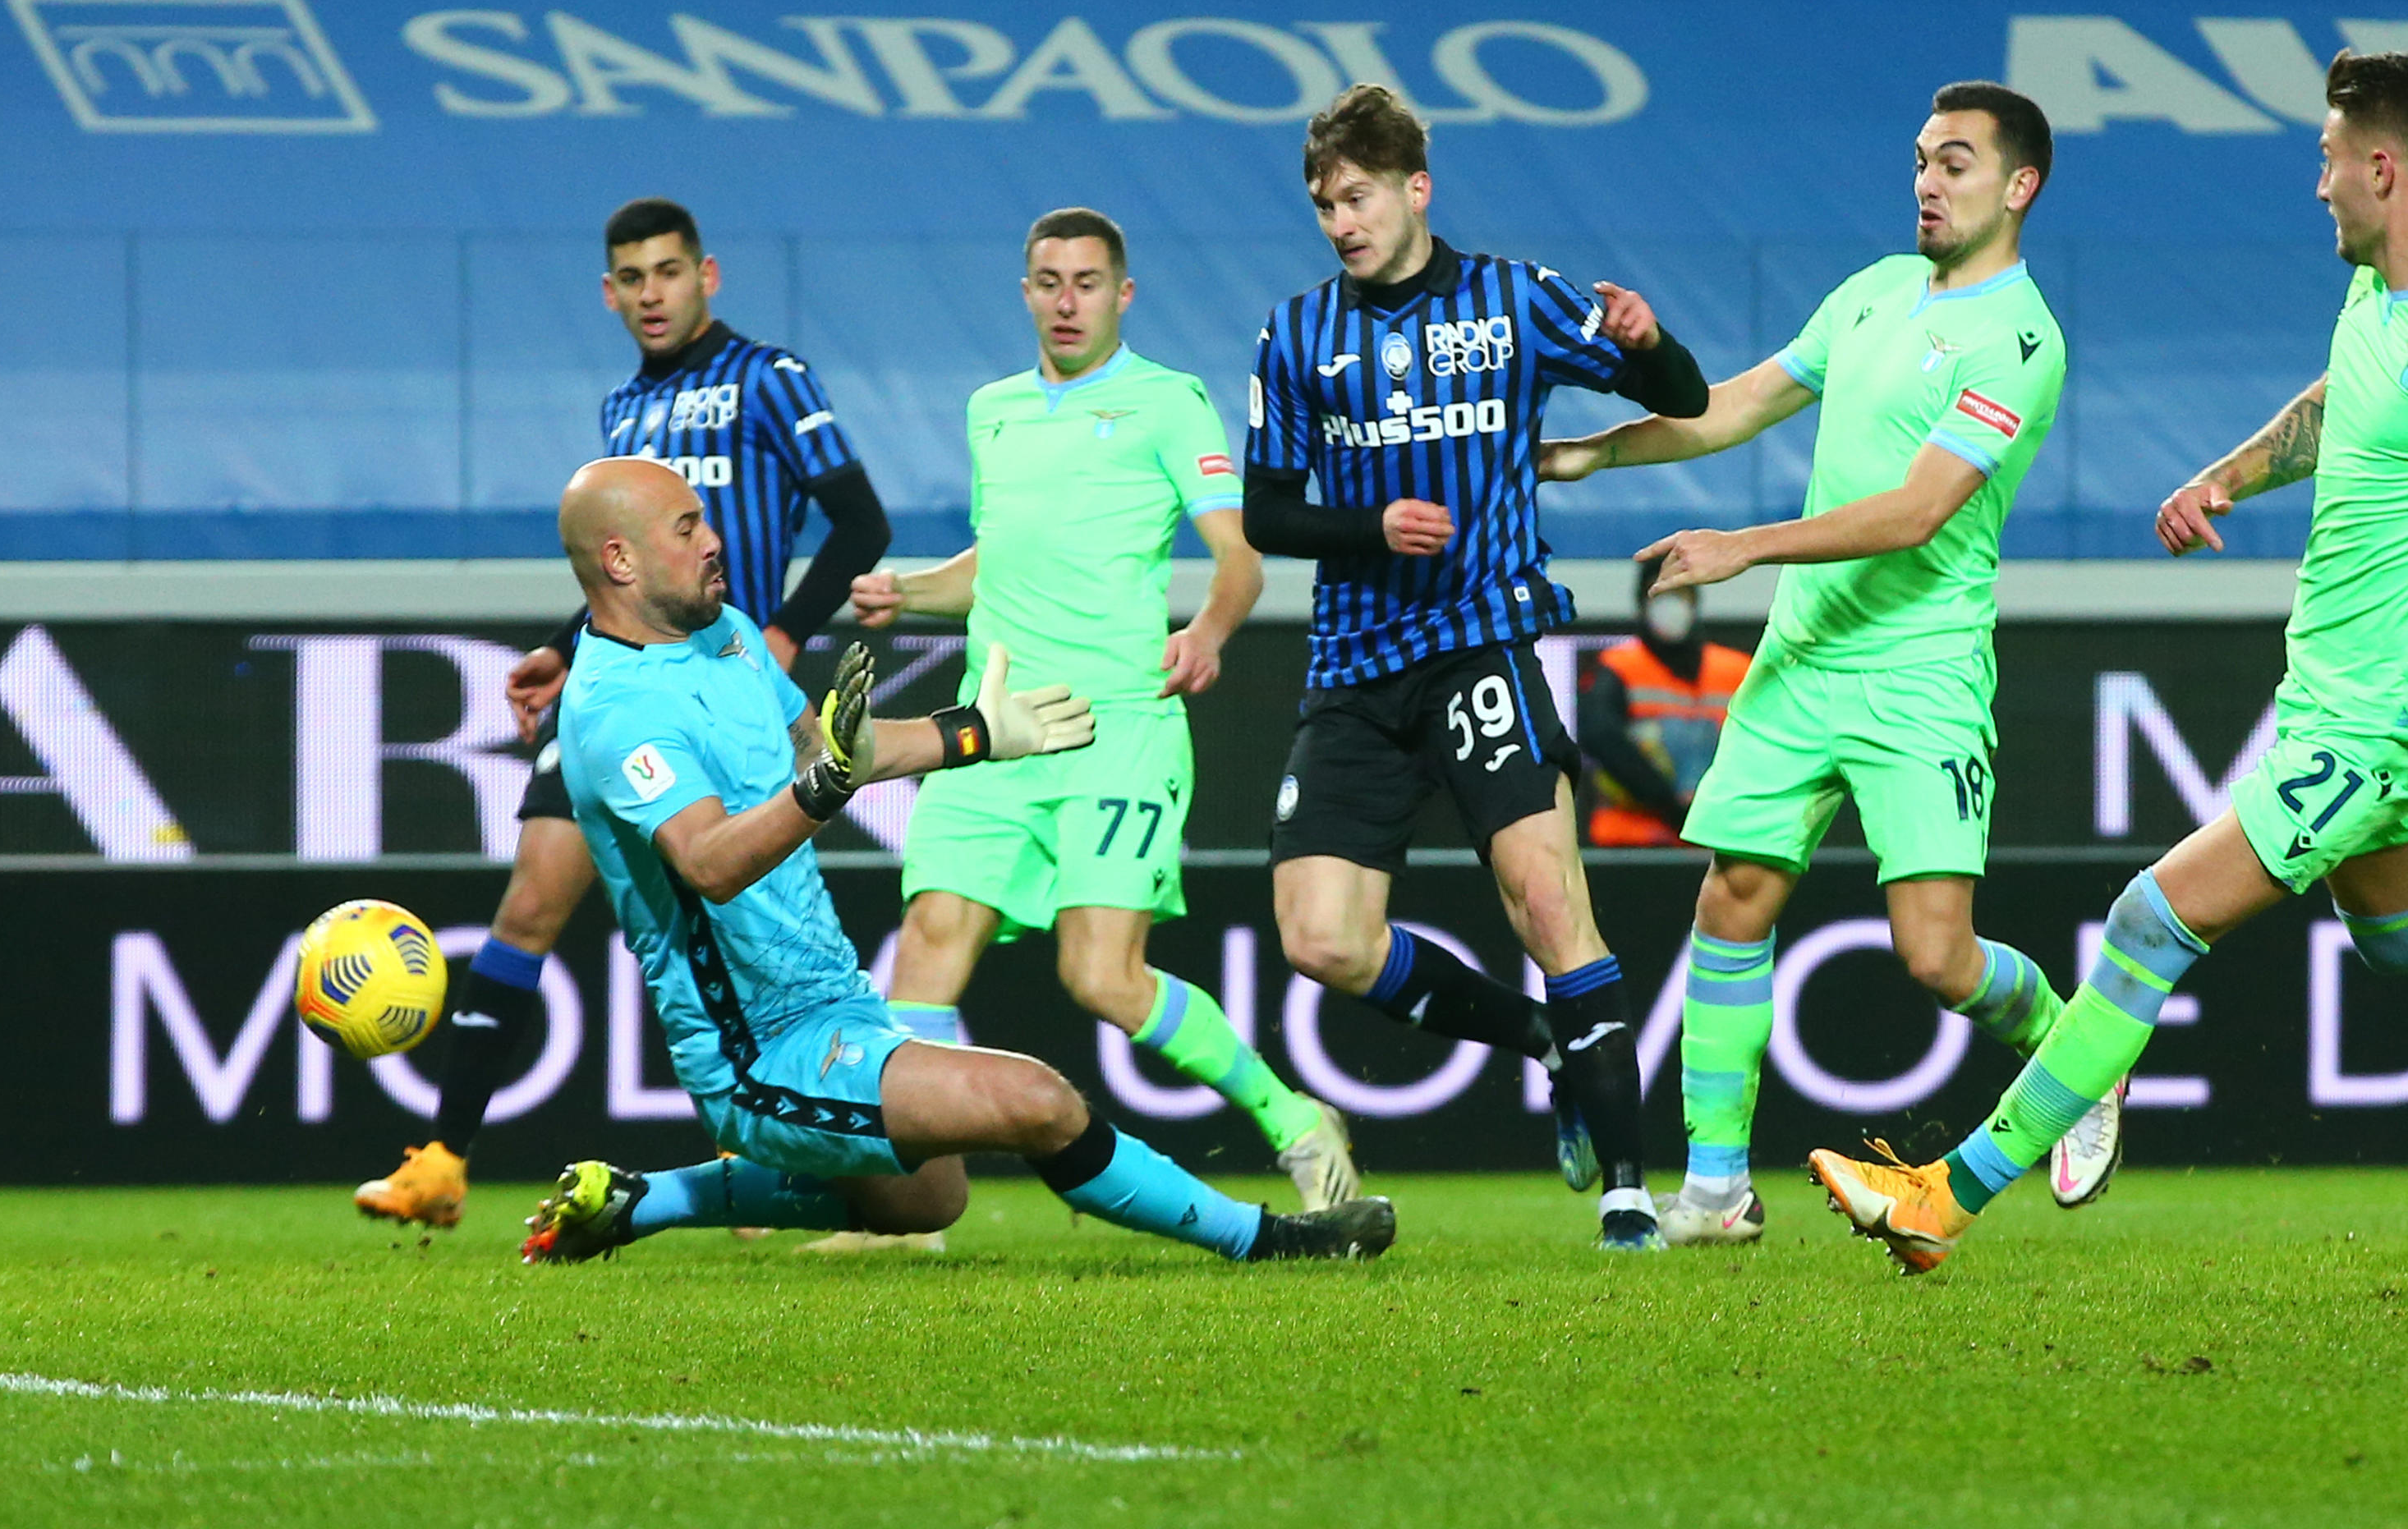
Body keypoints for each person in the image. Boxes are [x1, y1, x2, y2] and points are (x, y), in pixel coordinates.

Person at [1811, 50, 2408, 1274]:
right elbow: (2344, 400)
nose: (2319, 187)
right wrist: (2233, 473)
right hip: (2336, 702)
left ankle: (1945, 1196)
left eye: (2328, 160)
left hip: (2377, 725)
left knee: (2147, 921)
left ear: (2384, 168)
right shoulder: (2375, 299)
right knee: (2391, 943)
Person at [518, 457, 1395, 1265]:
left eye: (703, 518)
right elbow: (710, 861)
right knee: (1038, 1099)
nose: (712, 539)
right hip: (755, 1054)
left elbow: (825, 749)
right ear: (620, 560)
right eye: (686, 527)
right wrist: (826, 785)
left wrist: (973, 732)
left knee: (929, 1194)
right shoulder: (613, 709)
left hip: (834, 1001)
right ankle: (1275, 1240)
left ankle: (637, 1200)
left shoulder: (729, 633)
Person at [1543, 81, 2106, 1247]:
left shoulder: (2022, 340)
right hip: (1803, 661)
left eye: (1954, 163)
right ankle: (1713, 1192)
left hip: (1919, 674)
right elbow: (1739, 403)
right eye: (1918, 161)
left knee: (1938, 959)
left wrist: (1743, 546)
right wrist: (1597, 455)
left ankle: (2079, 1053)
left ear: (2019, 186)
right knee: (1733, 898)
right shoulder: (1871, 294)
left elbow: (1915, 512)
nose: (1927, 183)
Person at [355, 198, 893, 1228]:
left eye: (668, 272)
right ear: (609, 292)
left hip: (725, 683)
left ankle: (777, 1142)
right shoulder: (622, 413)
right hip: (621, 689)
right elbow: (619, 570)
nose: (652, 293)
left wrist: (782, 631)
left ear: (708, 276)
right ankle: (442, 1158)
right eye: (632, 278)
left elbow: (861, 520)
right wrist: (564, 647)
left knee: (730, 900)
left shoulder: (769, 378)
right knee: (528, 906)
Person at [1242, 84, 1709, 1250]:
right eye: (1323, 203)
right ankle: (1542, 1040)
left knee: (1551, 903)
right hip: (1353, 668)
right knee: (1319, 939)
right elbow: (1265, 517)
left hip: (1481, 644)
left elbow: (1684, 398)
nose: (1340, 221)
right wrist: (1370, 529)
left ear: (1415, 188)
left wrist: (1650, 348)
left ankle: (1628, 1192)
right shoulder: (1295, 332)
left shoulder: (1513, 300)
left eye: (1356, 197)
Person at [843, 208, 1356, 1254]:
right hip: (992, 725)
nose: (1066, 300)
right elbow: (997, 562)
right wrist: (911, 590)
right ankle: (908, 1216)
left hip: (1116, 727)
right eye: (1047, 281)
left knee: (1103, 976)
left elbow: (1242, 553)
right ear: (1025, 291)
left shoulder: (1169, 402)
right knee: (930, 942)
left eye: (1086, 282)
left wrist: (1210, 626)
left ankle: (1296, 1120)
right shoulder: (992, 410)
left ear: (1124, 295)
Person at [1578, 569, 1749, 848]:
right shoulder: (1616, 668)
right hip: (1631, 842)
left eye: (1681, 593)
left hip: (1721, 839)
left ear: (1695, 600)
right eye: (1658, 594)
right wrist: (1668, 805)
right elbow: (1600, 736)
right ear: (1642, 603)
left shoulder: (1738, 670)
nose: (1671, 605)